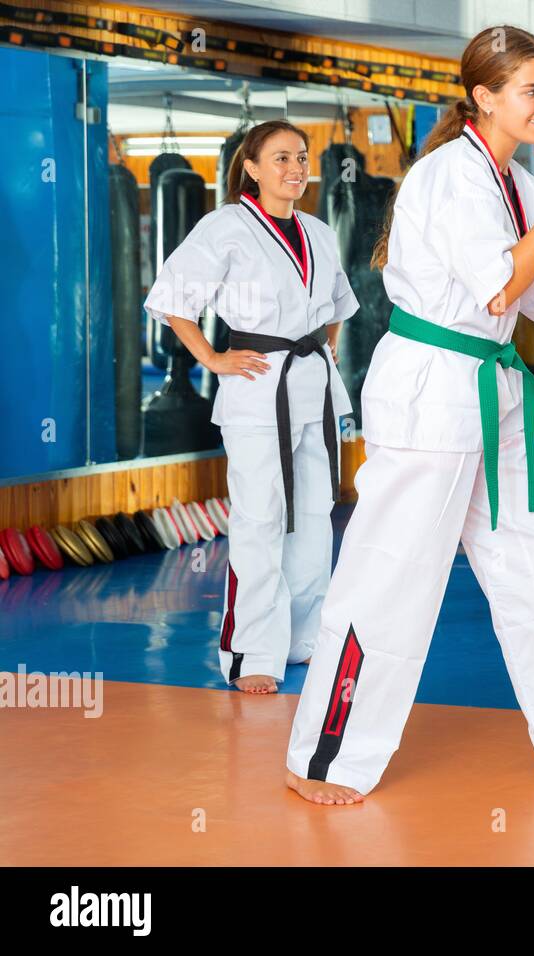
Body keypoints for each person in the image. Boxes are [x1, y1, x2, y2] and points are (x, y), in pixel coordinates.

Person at [284, 25, 534, 805]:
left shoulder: (520, 185)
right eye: (532, 89)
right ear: (485, 97)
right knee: (394, 572)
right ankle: (325, 757)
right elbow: (500, 288)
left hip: (494, 386)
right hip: (432, 384)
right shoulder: (445, 177)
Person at [144, 119, 356, 695]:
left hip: (311, 382)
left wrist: (323, 345)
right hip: (258, 388)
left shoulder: (318, 230)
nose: (296, 168)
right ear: (253, 168)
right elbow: (171, 299)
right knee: (261, 517)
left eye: (302, 157)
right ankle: (251, 651)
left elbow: (338, 301)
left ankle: (303, 638)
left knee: (314, 514)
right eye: (282, 158)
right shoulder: (225, 227)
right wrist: (212, 359)